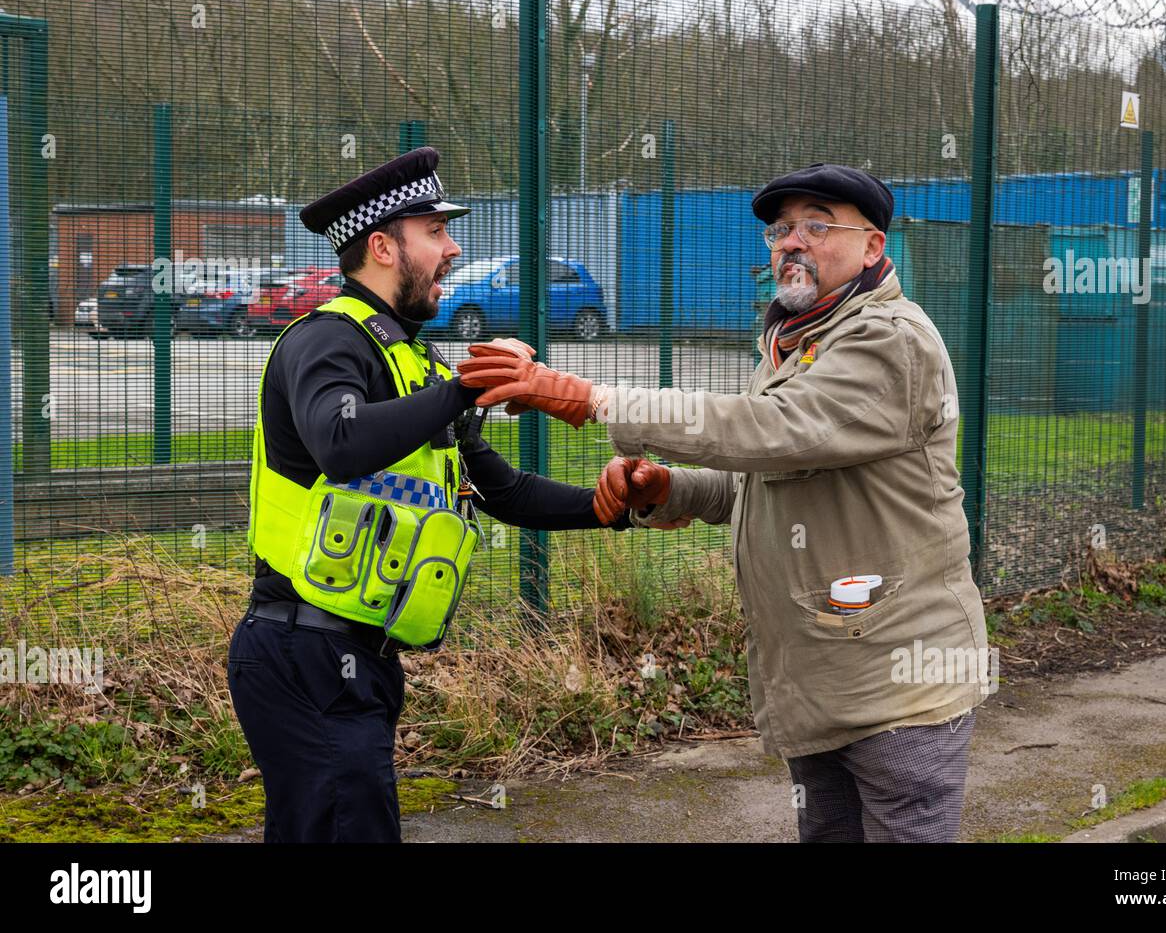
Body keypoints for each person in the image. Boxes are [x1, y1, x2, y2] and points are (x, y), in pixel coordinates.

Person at [457, 162, 989, 843]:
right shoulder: (797, 342)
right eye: (781, 228)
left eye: (817, 226)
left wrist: (596, 400)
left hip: (899, 688)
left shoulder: (891, 340)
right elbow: (765, 472)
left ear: (874, 247)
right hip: (824, 677)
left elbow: (770, 429)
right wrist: (671, 489)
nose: (791, 242)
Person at [228, 147, 628, 843]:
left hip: (357, 663)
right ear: (383, 247)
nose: (454, 247)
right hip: (303, 654)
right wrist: (461, 389)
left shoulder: (413, 360)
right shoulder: (325, 341)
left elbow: (499, 487)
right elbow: (339, 440)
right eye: (436, 232)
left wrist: (606, 506)